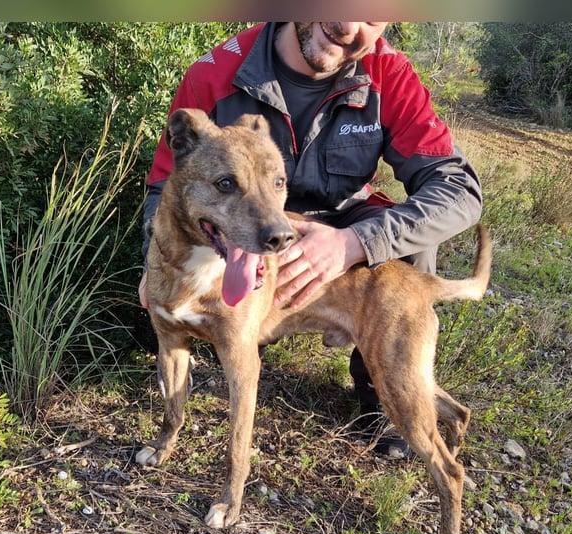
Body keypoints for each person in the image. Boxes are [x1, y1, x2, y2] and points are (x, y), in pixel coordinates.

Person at [138, 22, 482, 457]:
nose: (350, 25)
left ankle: (382, 389)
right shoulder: (216, 71)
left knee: (412, 241)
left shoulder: (389, 73)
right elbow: (165, 187)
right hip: (246, 221)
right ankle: (219, 322)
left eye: (373, 17)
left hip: (340, 221)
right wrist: (158, 259)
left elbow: (458, 190)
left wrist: (356, 242)